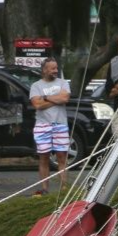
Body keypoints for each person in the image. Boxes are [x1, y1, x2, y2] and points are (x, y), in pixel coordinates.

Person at [29, 57, 71, 194]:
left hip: (60, 124)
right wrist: (55, 99)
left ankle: (64, 188)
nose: (55, 71)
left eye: (56, 68)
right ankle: (44, 189)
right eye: (52, 68)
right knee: (44, 157)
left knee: (62, 156)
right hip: (42, 125)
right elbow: (37, 105)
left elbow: (65, 98)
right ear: (44, 70)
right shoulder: (36, 86)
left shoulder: (63, 83)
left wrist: (45, 98)